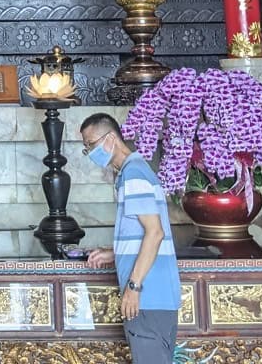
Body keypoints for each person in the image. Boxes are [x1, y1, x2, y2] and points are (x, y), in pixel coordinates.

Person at [80, 112, 181, 364]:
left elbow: (155, 233)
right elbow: (145, 233)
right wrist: (113, 253)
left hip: (148, 297)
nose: (90, 152)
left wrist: (134, 287)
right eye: (86, 148)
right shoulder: (132, 171)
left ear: (111, 138)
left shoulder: (134, 174)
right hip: (154, 297)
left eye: (91, 145)